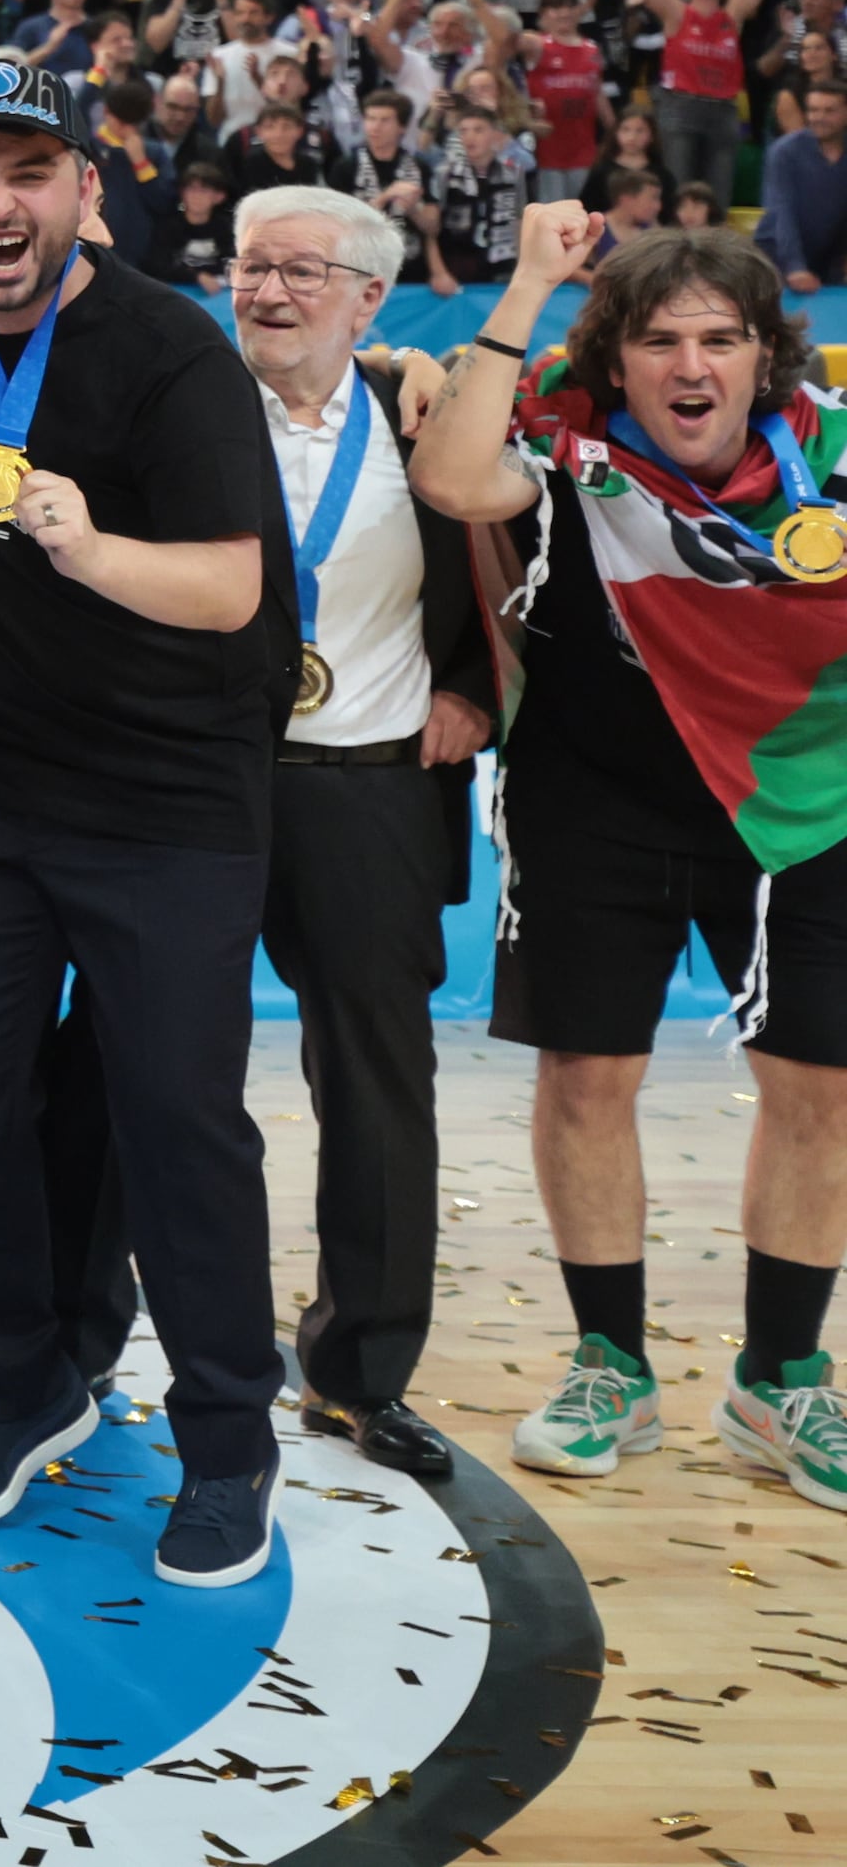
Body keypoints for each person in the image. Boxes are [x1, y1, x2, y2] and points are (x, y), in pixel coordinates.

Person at [0, 58, 295, 1590]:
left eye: (29, 172)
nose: (0, 204)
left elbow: (231, 588)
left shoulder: (168, 352)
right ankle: (18, 1387)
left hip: (167, 796)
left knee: (179, 1123)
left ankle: (230, 1438)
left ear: (83, 193)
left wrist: (89, 544)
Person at [410, 207, 847, 1510]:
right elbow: (447, 476)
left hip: (803, 802)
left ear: (769, 359)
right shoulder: (564, 441)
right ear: (619, 356)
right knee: (589, 1076)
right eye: (660, 340)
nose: (692, 365)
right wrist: (532, 281)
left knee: (820, 1090)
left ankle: (780, 1378)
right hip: (594, 796)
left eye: (721, 338)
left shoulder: (834, 455)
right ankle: (613, 1362)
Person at [228, 183, 494, 1484]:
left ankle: (362, 1368)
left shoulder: (422, 408)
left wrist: (474, 687)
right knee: (139, 1068)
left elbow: (510, 554)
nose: (269, 292)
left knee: (380, 1091)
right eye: (250, 266)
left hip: (372, 785)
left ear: (369, 297)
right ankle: (84, 1343)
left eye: (300, 272)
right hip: (200, 784)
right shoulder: (186, 397)